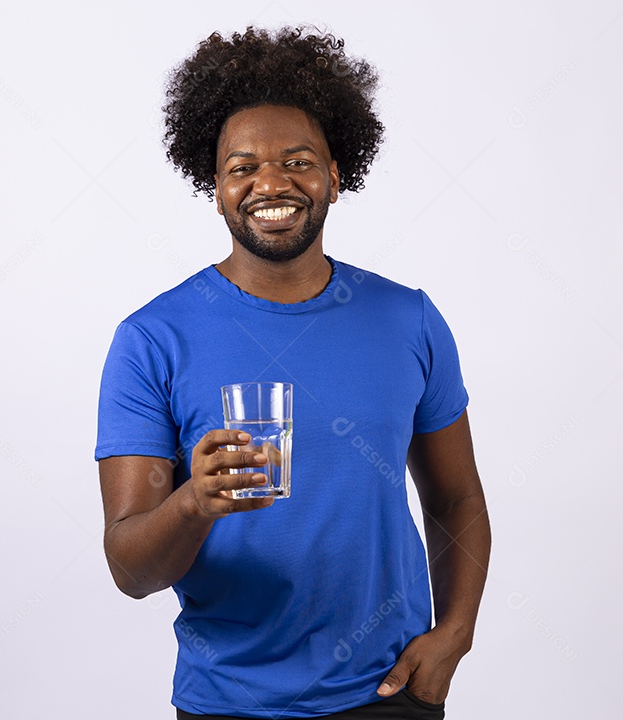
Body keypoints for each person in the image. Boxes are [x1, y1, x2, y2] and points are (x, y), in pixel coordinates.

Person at [95, 25, 490, 719]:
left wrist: (455, 635)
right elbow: (130, 569)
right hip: (228, 703)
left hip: (388, 695)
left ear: (335, 178)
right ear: (215, 189)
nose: (270, 183)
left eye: (298, 161)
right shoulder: (151, 340)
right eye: (242, 167)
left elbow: (456, 500)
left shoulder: (410, 320)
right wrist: (192, 504)